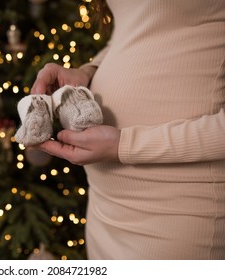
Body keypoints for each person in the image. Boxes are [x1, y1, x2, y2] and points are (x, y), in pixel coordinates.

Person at [30, 0, 225, 259]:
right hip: (105, 205)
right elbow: (131, 31)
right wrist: (87, 71)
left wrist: (125, 145)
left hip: (179, 209)